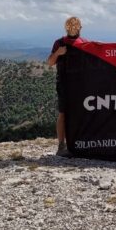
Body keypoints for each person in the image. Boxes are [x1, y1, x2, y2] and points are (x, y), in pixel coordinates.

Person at [47, 16, 83, 157]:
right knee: (63, 113)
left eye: (76, 25)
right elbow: (50, 63)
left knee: (80, 113)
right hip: (64, 83)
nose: (73, 27)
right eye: (70, 25)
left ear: (80, 27)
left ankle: (78, 143)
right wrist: (57, 53)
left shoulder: (84, 43)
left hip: (82, 85)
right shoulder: (59, 43)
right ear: (66, 27)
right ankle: (61, 146)